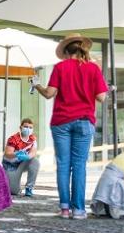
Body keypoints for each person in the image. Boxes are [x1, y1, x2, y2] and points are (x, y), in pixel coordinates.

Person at [32, 33, 108, 220]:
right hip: (84, 121)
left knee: (63, 165)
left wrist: (37, 85)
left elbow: (50, 94)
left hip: (61, 122)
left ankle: (65, 209)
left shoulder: (60, 67)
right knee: (79, 166)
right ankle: (79, 210)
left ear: (66, 52)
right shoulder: (93, 68)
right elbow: (101, 97)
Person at [4, 118, 40, 197]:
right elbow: (7, 154)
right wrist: (17, 154)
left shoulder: (32, 139)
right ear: (20, 128)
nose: (28, 129)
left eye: (30, 128)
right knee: (13, 191)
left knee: (35, 162)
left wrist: (27, 157)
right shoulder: (13, 139)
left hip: (23, 162)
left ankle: (29, 187)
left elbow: (33, 152)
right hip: (11, 165)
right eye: (26, 127)